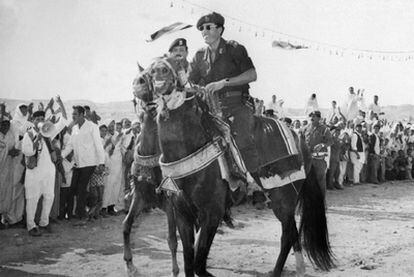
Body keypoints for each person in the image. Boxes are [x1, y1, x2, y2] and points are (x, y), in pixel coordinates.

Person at [189, 12, 259, 177]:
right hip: (210, 108)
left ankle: (253, 182)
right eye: (202, 29)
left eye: (208, 27)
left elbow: (252, 75)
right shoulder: (199, 56)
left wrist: (223, 83)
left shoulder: (235, 49)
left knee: (242, 140)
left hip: (237, 104)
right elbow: (190, 83)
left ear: (220, 30)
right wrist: (196, 87)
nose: (204, 32)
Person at [22, 105, 67, 236]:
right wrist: (37, 140)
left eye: (42, 118)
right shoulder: (28, 135)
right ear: (33, 120)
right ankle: (31, 226)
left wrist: (61, 103)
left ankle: (44, 222)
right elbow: (27, 152)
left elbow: (63, 121)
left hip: (48, 172)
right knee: (32, 199)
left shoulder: (48, 132)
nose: (40, 121)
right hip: (34, 173)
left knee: (49, 197)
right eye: (38, 119)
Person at [61, 106, 105, 222]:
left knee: (81, 189)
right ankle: (87, 209)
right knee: (74, 188)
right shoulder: (75, 128)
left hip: (89, 163)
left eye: (75, 114)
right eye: (73, 114)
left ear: (82, 115)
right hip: (78, 163)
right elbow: (70, 145)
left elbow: (98, 145)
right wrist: (61, 156)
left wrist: (101, 162)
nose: (73, 116)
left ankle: (82, 215)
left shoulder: (92, 127)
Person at [304, 110, 333, 197]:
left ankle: (321, 202)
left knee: (320, 181)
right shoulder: (306, 128)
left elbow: (331, 141)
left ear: (319, 118)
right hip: (308, 159)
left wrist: (322, 145)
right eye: (311, 116)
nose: (312, 118)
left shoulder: (324, 129)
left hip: (319, 160)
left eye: (314, 116)